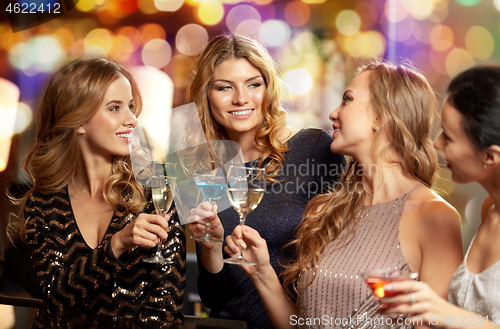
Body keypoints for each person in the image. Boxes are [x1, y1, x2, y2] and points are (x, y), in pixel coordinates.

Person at [224, 59, 464, 329]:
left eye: (347, 100)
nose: (334, 113)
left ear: (381, 115)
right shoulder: (324, 211)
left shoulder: (435, 218)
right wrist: (262, 272)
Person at [7, 58, 185, 323]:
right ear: (78, 121)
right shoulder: (43, 203)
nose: (132, 120)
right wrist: (117, 244)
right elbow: (54, 295)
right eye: (115, 108)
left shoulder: (156, 194)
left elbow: (165, 307)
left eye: (131, 107)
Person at [186, 34, 345, 328]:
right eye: (224, 87)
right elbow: (214, 299)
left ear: (268, 88)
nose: (241, 98)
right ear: (206, 94)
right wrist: (211, 248)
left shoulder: (313, 149)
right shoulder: (201, 168)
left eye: (253, 84)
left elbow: (343, 267)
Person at [378, 65, 500, 328]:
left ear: (490, 157)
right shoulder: (489, 209)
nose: (437, 143)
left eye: (450, 137)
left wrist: (444, 313)